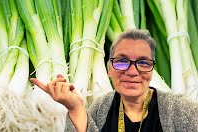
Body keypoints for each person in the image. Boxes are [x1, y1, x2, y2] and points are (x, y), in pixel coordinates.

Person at [30, 29, 198, 132]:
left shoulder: (182, 109)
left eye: (142, 63)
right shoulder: (97, 110)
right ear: (109, 69)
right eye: (122, 62)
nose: (132, 71)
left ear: (152, 69)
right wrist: (75, 109)